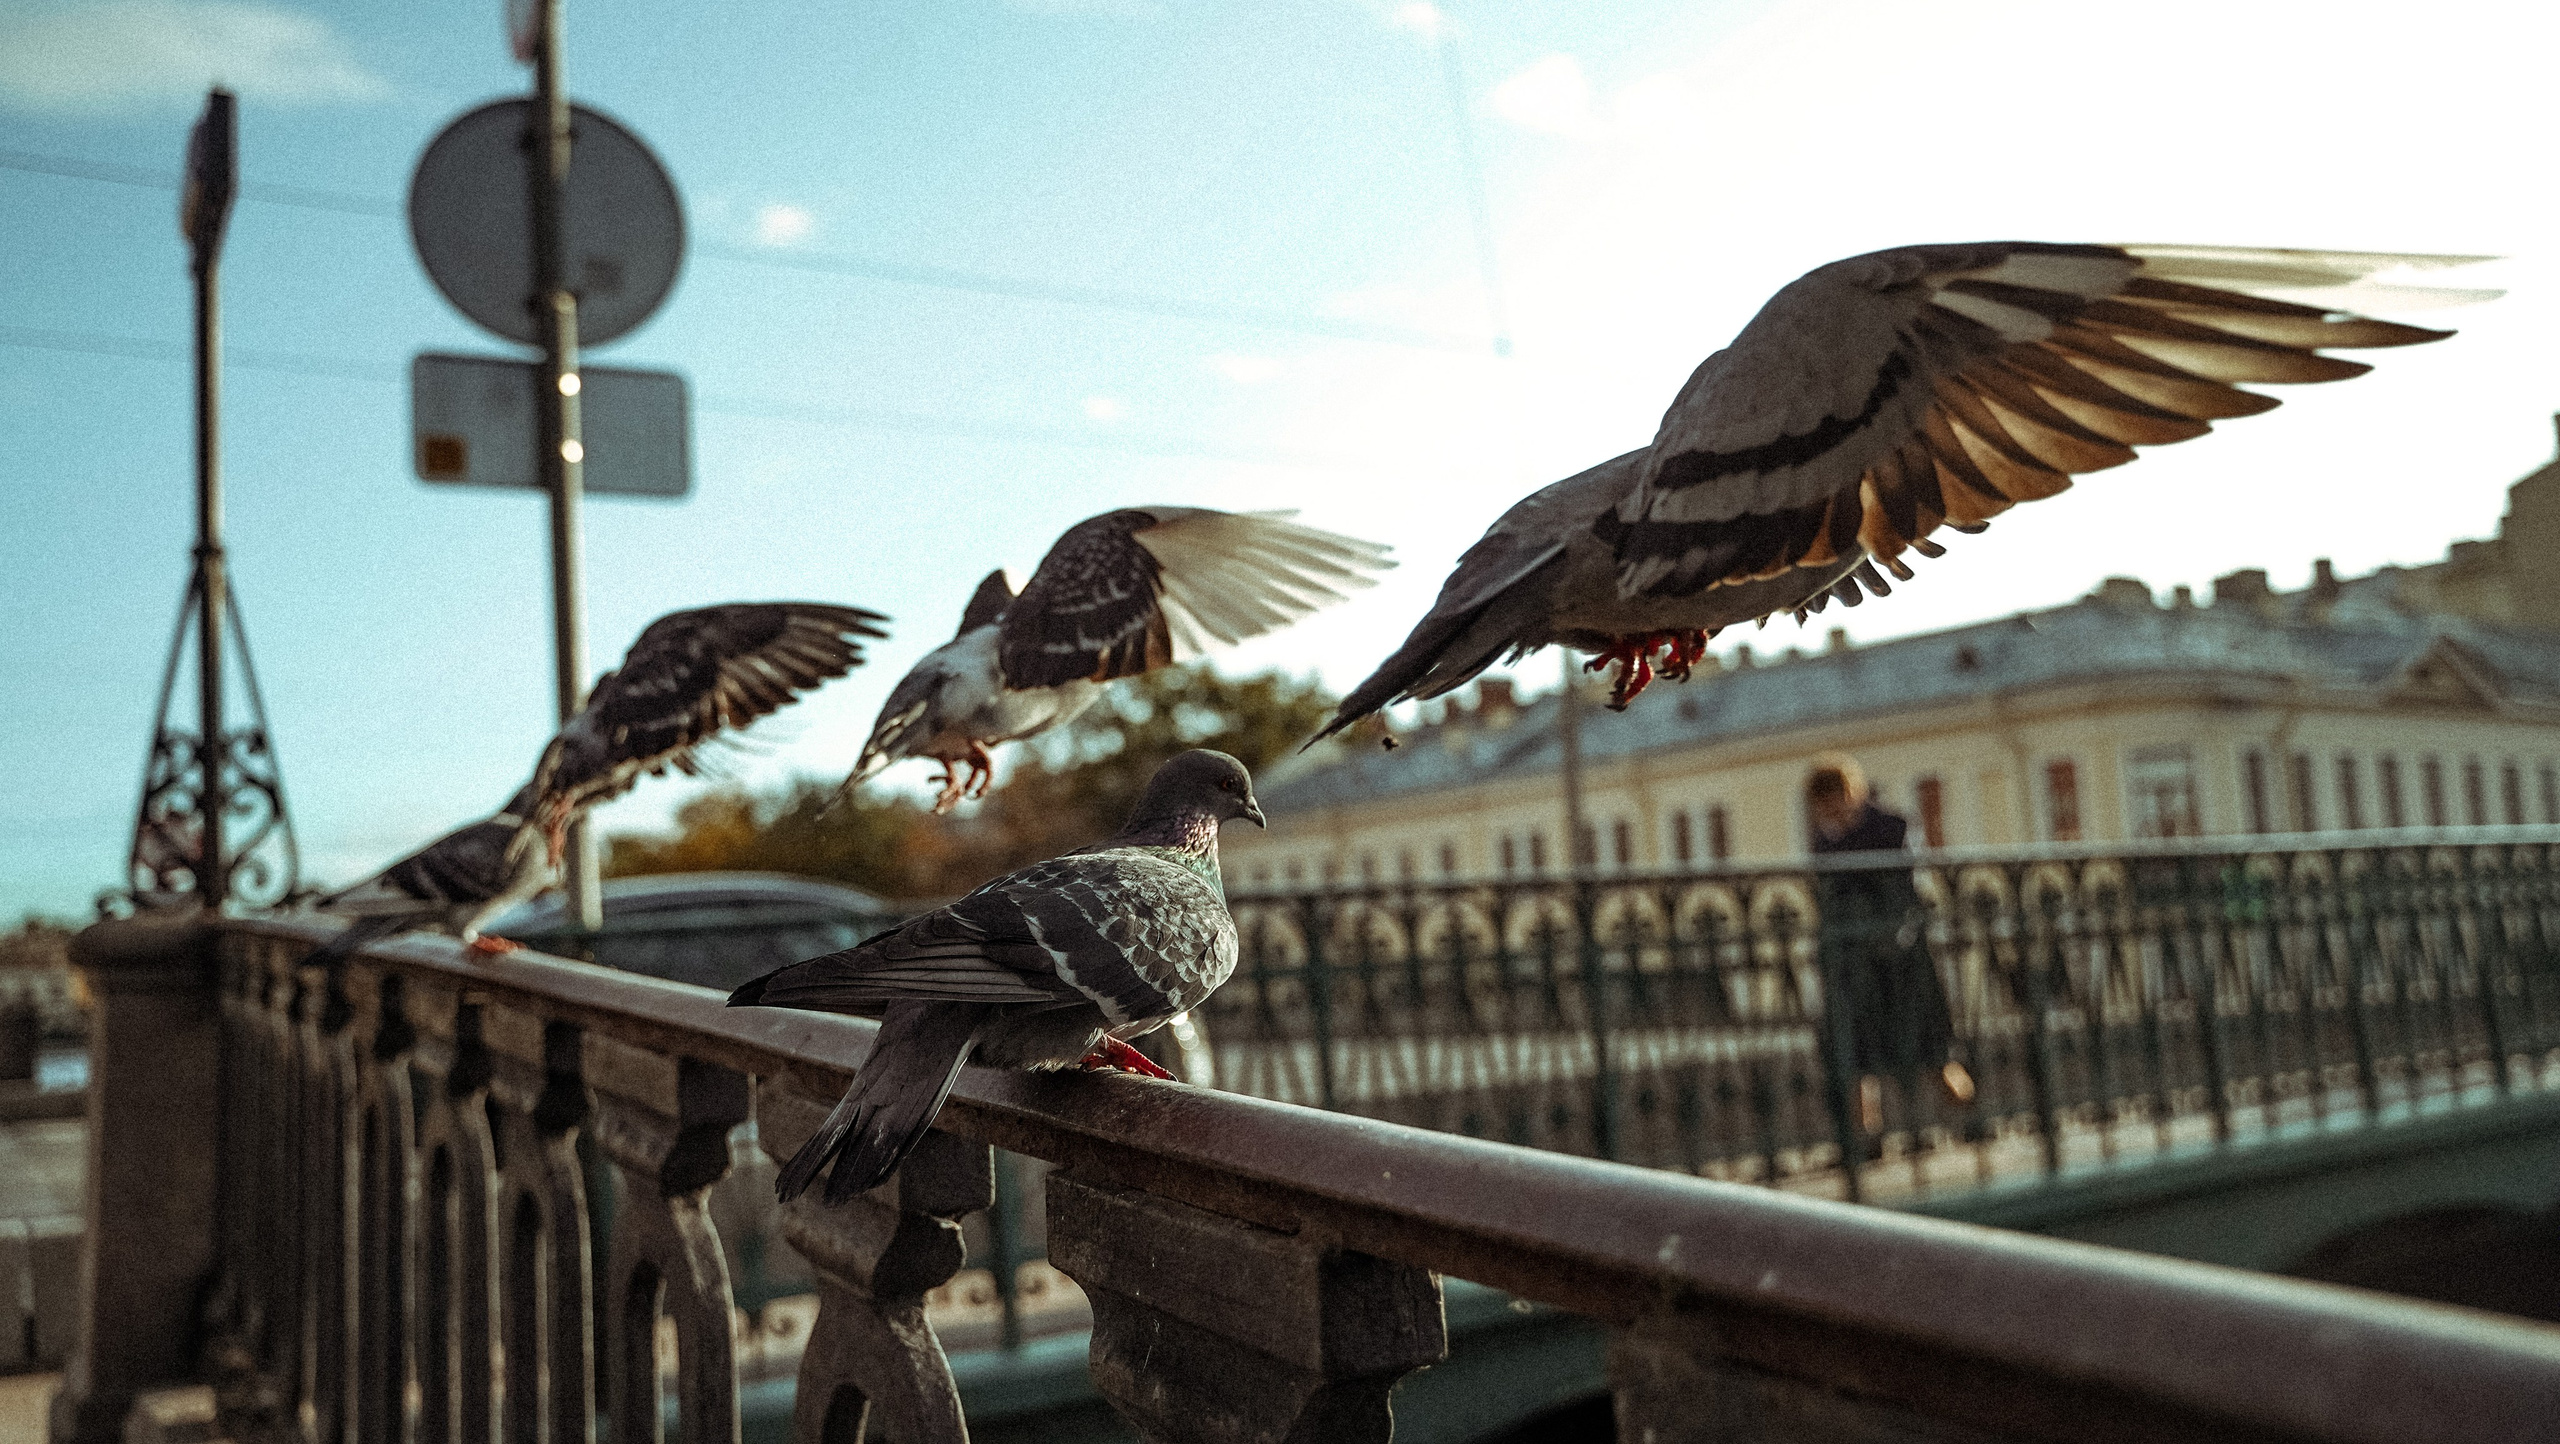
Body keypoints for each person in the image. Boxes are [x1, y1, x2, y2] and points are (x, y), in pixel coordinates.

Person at [1804, 757, 1973, 1145]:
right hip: (1852, 959)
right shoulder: (1825, 842)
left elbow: (1906, 890)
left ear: (1851, 793)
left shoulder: (1892, 827)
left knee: (1930, 1051)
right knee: (1856, 1056)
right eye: (1822, 806)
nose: (1830, 812)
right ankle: (1868, 1142)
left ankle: (1968, 1121)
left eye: (1834, 801)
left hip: (1899, 954)